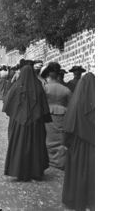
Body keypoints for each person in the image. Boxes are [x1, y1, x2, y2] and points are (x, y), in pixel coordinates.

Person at [3, 65, 52, 181]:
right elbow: (44, 106)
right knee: (35, 144)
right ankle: (35, 171)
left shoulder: (16, 86)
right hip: (36, 123)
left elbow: (8, 103)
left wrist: (16, 114)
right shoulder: (38, 86)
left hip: (19, 124)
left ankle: (18, 170)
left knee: (19, 145)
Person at [62, 73, 95, 211]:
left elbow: (68, 126)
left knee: (77, 172)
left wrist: (66, 143)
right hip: (93, 146)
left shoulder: (75, 104)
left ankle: (75, 199)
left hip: (76, 145)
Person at [44, 62, 72, 169]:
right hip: (62, 115)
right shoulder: (65, 89)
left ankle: (48, 158)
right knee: (60, 139)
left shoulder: (45, 88)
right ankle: (60, 160)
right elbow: (71, 104)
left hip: (47, 115)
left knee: (47, 137)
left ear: (48, 76)